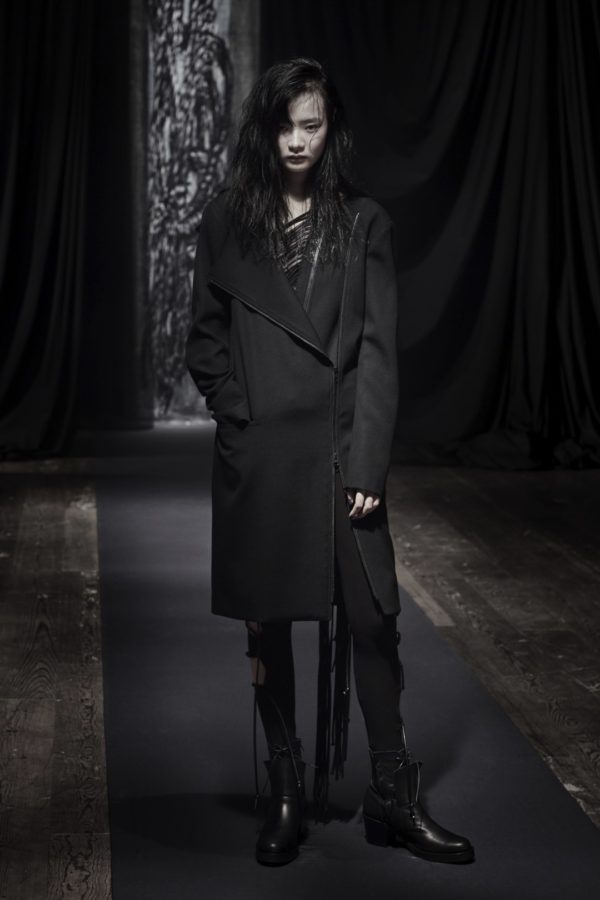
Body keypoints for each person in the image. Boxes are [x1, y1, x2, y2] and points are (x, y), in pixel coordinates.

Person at [186, 57, 474, 867]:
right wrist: (240, 411)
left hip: (343, 454)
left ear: (330, 130)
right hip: (263, 459)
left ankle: (392, 793)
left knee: (375, 619)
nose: (296, 141)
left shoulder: (363, 223)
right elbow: (204, 339)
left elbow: (378, 351)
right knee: (267, 621)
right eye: (284, 125)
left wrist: (368, 466)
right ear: (264, 131)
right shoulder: (226, 220)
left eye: (310, 125)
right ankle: (284, 790)